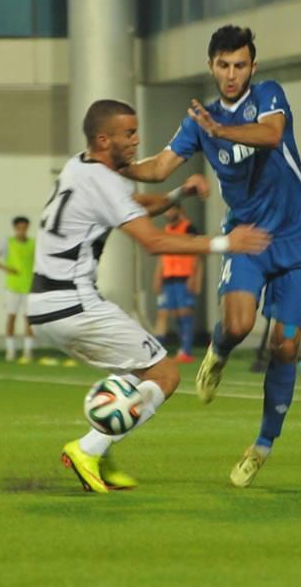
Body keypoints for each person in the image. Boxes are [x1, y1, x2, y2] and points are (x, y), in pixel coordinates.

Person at [28, 99, 269, 495]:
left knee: (136, 375)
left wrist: (177, 195)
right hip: (73, 304)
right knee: (165, 374)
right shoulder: (104, 181)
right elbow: (154, 242)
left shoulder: (79, 167)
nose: (137, 141)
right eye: (129, 134)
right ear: (104, 140)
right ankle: (89, 448)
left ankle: (102, 451)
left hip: (44, 307)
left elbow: (134, 206)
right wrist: (227, 242)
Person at [121, 25, 301, 487]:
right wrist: (115, 163)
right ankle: (219, 351)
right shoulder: (199, 120)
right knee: (238, 324)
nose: (232, 74)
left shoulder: (267, 96)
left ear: (253, 67)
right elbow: (160, 167)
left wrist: (220, 130)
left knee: (286, 345)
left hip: (294, 239)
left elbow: (271, 135)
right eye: (224, 65)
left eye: (240, 65)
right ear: (211, 66)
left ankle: (262, 445)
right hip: (246, 237)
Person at [152, 205, 203, 364]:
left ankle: (186, 351)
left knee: (184, 313)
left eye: (171, 210)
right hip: (168, 277)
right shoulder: (166, 230)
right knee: (168, 313)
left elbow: (197, 253)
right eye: (166, 210)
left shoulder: (189, 228)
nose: (167, 213)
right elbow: (162, 256)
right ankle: (160, 352)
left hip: (184, 276)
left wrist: (194, 276)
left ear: (179, 211)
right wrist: (158, 276)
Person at [0, 216, 36, 363]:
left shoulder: (33, 243)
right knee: (11, 316)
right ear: (15, 228)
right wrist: (6, 269)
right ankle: (10, 351)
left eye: (25, 227)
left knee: (29, 319)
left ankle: (28, 351)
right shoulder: (7, 242)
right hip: (12, 286)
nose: (22, 230)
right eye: (19, 228)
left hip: (28, 286)